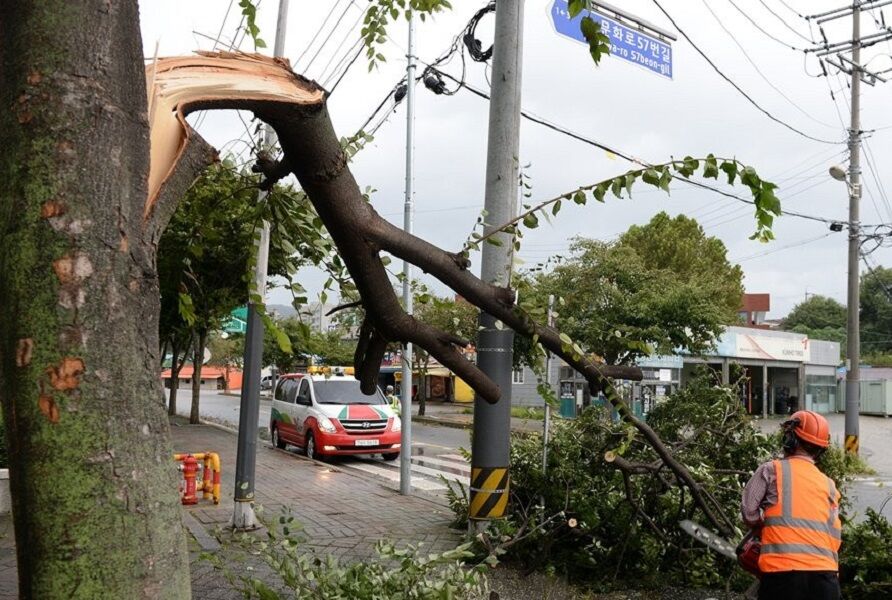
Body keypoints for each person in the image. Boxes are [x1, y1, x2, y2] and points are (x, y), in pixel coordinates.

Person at [741, 410, 842, 600]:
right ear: (821, 449)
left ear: (790, 439)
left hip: (783, 577)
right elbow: (835, 537)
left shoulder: (771, 470)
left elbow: (749, 511)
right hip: (826, 580)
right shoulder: (829, 484)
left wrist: (763, 528)